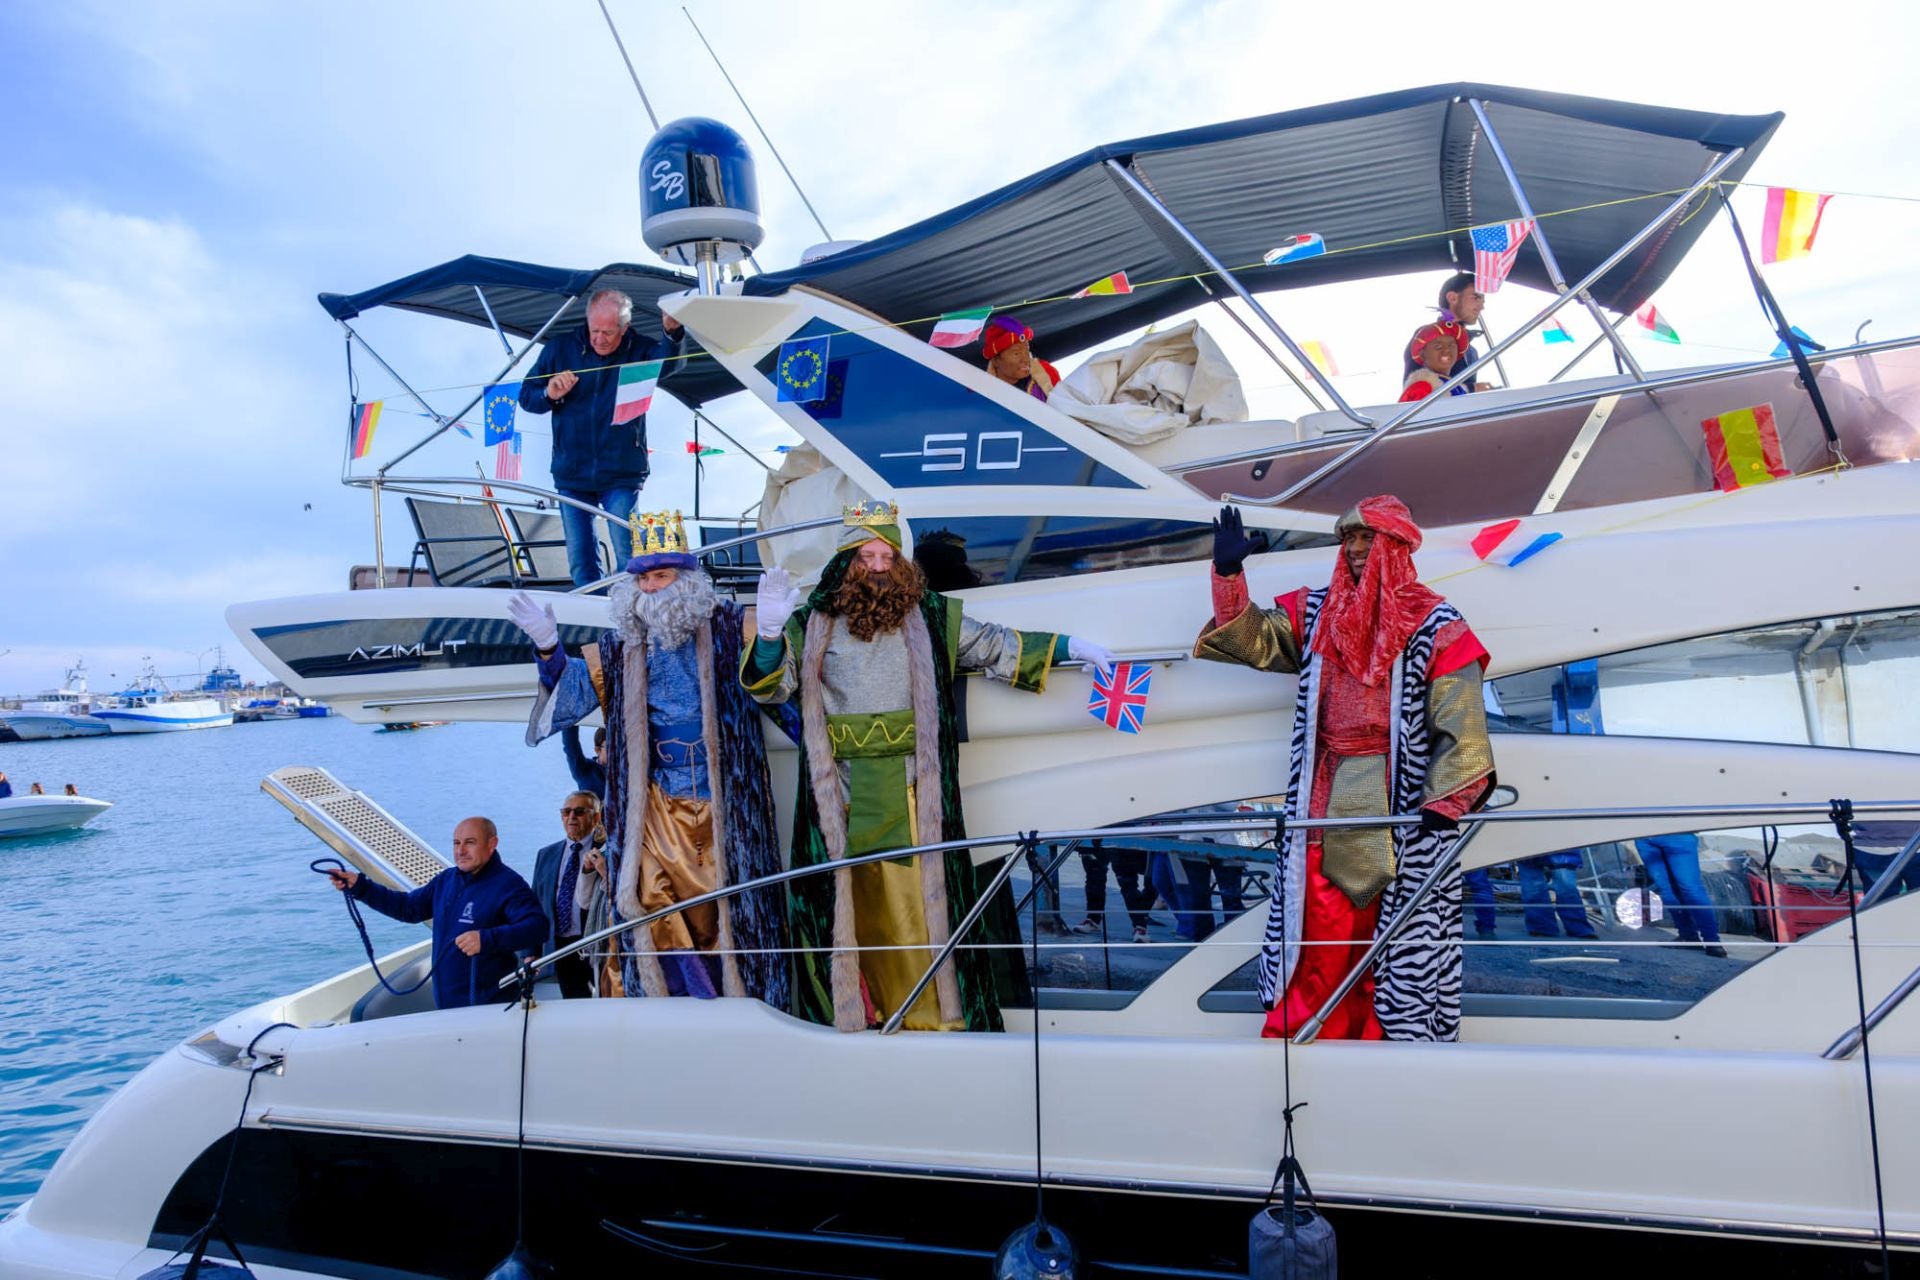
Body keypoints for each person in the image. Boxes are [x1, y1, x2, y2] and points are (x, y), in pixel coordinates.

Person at [744, 500, 1117, 1032]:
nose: (876, 565)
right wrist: (770, 636)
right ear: (847, 560)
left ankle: (935, 1021)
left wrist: (1067, 647)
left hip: (916, 792)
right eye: (865, 554)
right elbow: (771, 686)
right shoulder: (812, 624)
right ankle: (861, 1018)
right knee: (854, 911)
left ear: (900, 560)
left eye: (885, 554)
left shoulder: (934, 616)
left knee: (919, 907)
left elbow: (993, 645)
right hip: (841, 799)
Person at [1195, 499, 1495, 1041]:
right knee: (1319, 928)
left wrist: (1445, 804)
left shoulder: (1437, 623)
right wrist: (1228, 573)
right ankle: (1306, 1038)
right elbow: (1249, 640)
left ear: (1398, 547)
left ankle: (1378, 1048)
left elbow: (1463, 724)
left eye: (1368, 539)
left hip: (1397, 809)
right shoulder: (1317, 613)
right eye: (1349, 540)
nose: (1355, 550)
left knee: (1390, 944)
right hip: (1322, 790)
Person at [509, 510, 788, 1004]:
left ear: (685, 580)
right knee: (648, 898)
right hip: (654, 799)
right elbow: (573, 694)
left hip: (725, 798)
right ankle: (673, 1006)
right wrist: (549, 647)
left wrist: (767, 638)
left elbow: (770, 688)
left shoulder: (729, 628)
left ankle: (736, 1005)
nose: (652, 588)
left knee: (727, 908)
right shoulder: (619, 645)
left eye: (661, 576)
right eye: (642, 578)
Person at [517, 288, 685, 587]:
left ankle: (630, 624)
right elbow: (527, 397)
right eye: (594, 330)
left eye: (608, 332)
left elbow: (670, 365)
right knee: (581, 559)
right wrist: (549, 393)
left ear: (625, 328)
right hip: (571, 474)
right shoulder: (559, 348)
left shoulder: (640, 350)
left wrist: (672, 334)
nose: (599, 338)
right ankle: (593, 626)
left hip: (621, 473)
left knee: (629, 558)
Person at [325, 817, 546, 1009]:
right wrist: (360, 887)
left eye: (470, 842)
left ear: (492, 844)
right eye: (456, 843)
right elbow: (407, 908)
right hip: (447, 1007)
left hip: (489, 1007)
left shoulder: (508, 884)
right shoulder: (446, 880)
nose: (460, 851)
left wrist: (486, 939)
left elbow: (537, 927)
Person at [528, 791, 606, 998]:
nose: (571, 817)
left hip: (596, 942)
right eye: (566, 812)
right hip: (560, 945)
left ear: (596, 818)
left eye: (579, 812)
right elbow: (535, 904)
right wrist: (531, 952)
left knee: (608, 1000)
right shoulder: (546, 855)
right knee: (573, 1003)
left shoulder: (607, 852)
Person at [1635, 833, 1725, 958]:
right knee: (1666, 889)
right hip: (1644, 838)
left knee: (1690, 888)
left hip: (1677, 835)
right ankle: (1688, 936)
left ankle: (1712, 942)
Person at [1401, 273, 1491, 393]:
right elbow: (1415, 390)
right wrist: (1471, 388)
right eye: (1476, 298)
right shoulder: (1427, 336)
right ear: (1452, 298)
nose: (1481, 307)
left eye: (1483, 301)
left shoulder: (1471, 351)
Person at [1516, 850, 1598, 940]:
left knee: (1562, 888)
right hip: (1559, 847)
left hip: (1551, 846)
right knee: (1562, 887)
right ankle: (1575, 927)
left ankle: (1544, 927)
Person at [981, 315, 1062, 403]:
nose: (1025, 359)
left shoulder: (1046, 374)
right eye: (1016, 353)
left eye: (1027, 351)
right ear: (996, 361)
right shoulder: (980, 390)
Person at [1400, 327, 1462, 402]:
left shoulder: (1455, 387)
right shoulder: (1421, 387)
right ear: (1422, 355)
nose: (1446, 350)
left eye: (1451, 346)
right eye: (1438, 346)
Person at [562, 724, 609, 801]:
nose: (616, 750)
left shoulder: (625, 771)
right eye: (611, 746)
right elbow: (570, 743)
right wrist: (572, 714)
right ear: (598, 750)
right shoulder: (583, 768)